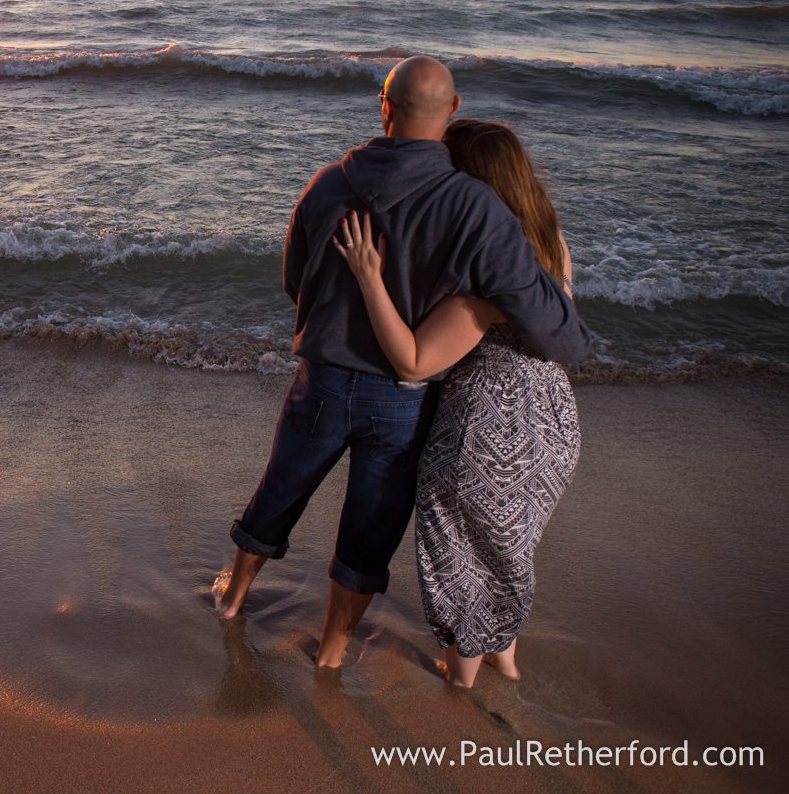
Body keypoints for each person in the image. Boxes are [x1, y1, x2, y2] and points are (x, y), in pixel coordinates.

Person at [212, 56, 592, 672]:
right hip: (403, 396)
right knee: (369, 529)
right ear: (454, 110)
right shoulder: (475, 207)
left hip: (325, 381)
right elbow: (552, 325)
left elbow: (294, 280)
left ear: (384, 108)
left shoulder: (327, 183)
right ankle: (332, 653)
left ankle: (233, 599)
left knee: (280, 491)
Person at [333, 119, 580, 687]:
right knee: (505, 548)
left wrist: (370, 277)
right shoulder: (552, 241)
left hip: (487, 428)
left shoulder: (491, 267)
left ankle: (463, 690)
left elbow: (415, 360)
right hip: (553, 422)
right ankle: (508, 662)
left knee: (464, 559)